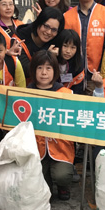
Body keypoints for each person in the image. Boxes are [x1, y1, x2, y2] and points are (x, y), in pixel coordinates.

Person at [28, 50, 75, 201]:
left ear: (55, 71)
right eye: (39, 68)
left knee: (62, 175)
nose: (43, 73)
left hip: (60, 146)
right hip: (35, 148)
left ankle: (63, 186)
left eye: (48, 68)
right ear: (33, 70)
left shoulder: (66, 93)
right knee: (42, 191)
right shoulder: (25, 93)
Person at [15, 7, 64, 78]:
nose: (48, 32)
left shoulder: (57, 41)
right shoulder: (19, 39)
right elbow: (26, 70)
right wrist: (48, 56)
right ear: (39, 22)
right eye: (46, 26)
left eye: (54, 30)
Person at [54, 29, 85, 94]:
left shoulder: (79, 64)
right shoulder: (50, 59)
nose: (68, 51)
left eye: (73, 48)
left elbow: (78, 89)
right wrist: (51, 57)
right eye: (65, 46)